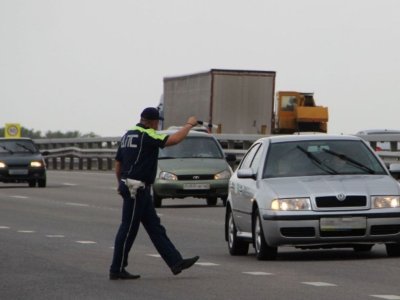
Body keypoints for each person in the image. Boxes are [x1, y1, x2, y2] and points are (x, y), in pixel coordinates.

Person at [109, 107, 199, 280]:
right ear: (151, 122)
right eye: (157, 121)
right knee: (128, 229)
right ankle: (116, 268)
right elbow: (174, 139)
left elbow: (118, 163)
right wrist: (189, 125)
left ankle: (175, 262)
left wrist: (120, 184)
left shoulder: (128, 135)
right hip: (137, 188)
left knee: (155, 227)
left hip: (134, 187)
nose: (158, 125)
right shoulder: (147, 135)